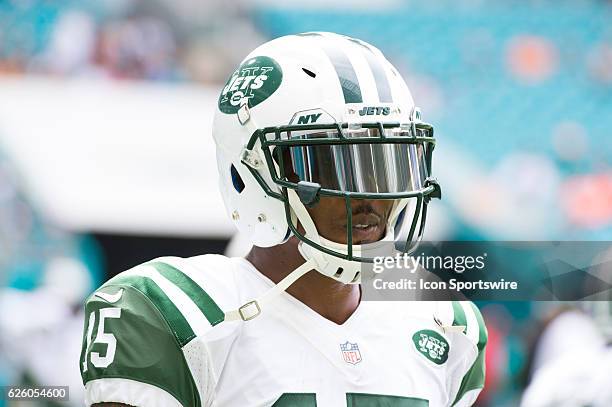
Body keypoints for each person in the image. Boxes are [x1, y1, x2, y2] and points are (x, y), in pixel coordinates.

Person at [79, 32, 487, 407]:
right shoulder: (174, 314)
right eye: (333, 167)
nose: (369, 196)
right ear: (253, 171)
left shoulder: (448, 324)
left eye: (387, 165)